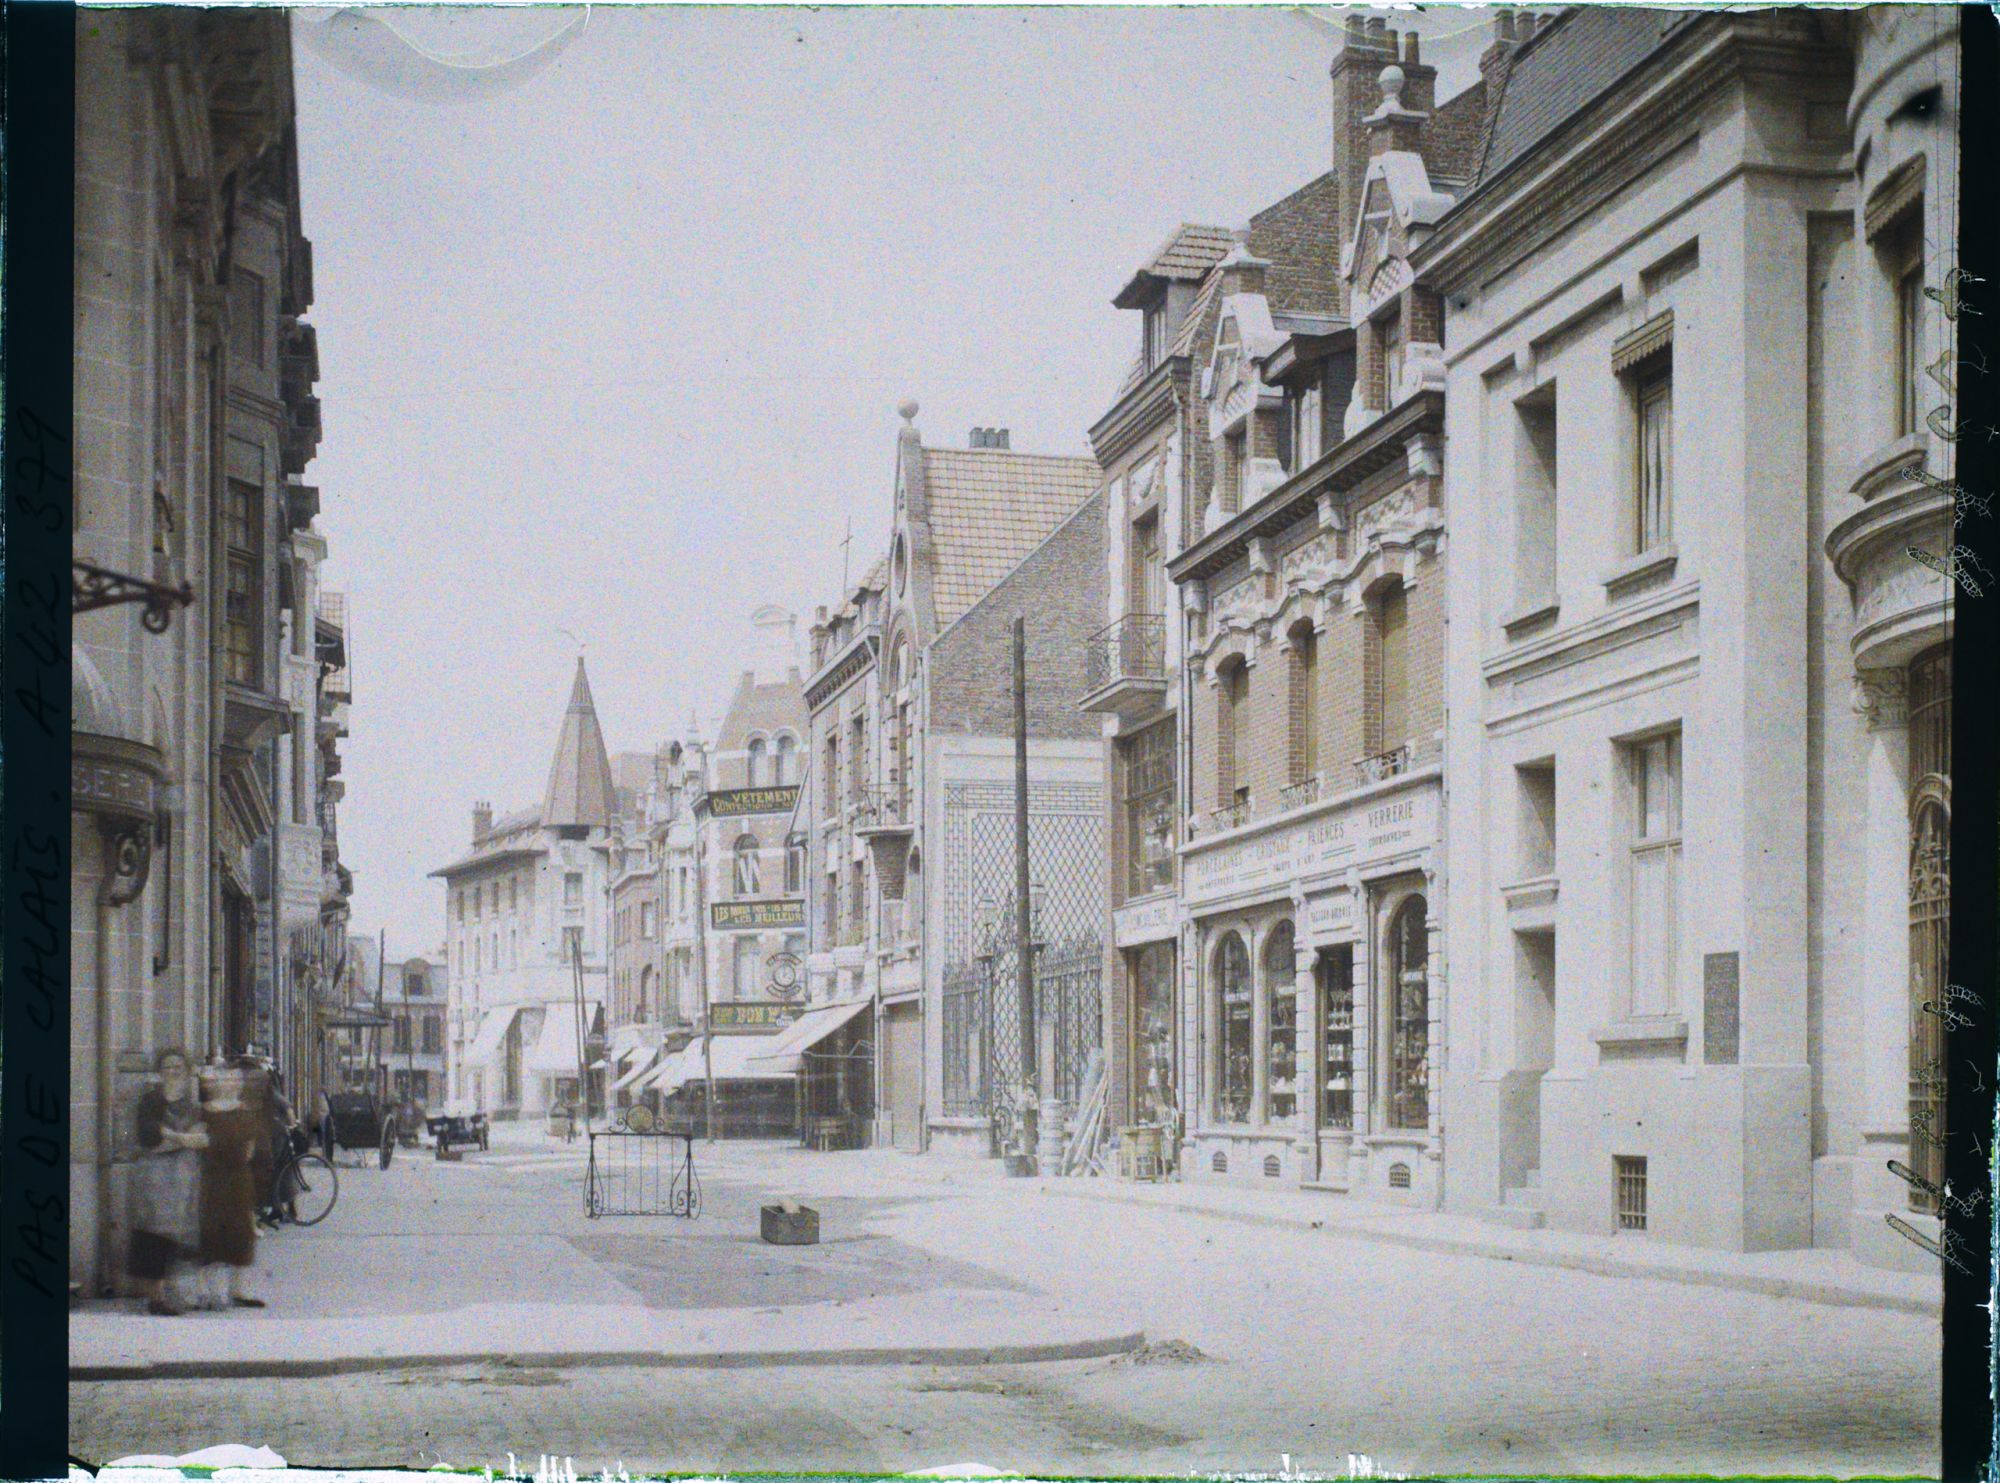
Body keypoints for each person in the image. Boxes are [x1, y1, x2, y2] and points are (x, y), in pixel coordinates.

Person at [129, 1048, 205, 1315]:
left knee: (178, 1233)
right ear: (159, 1072)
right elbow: (149, 1135)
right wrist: (181, 1139)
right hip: (156, 1176)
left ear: (186, 1072)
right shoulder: (151, 1100)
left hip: (183, 1177)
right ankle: (157, 1297)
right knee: (154, 1233)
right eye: (167, 1067)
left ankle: (171, 1292)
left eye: (178, 1067)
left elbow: (202, 1137)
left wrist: (173, 1137)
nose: (172, 1072)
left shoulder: (192, 1104)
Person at [196, 1061, 265, 1309]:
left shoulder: (246, 1111)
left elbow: (250, 1149)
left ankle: (238, 1290)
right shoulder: (204, 1111)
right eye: (228, 1078)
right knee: (212, 1232)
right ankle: (212, 1292)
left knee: (241, 1233)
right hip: (213, 1178)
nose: (233, 1083)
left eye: (238, 1079)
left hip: (238, 1178)